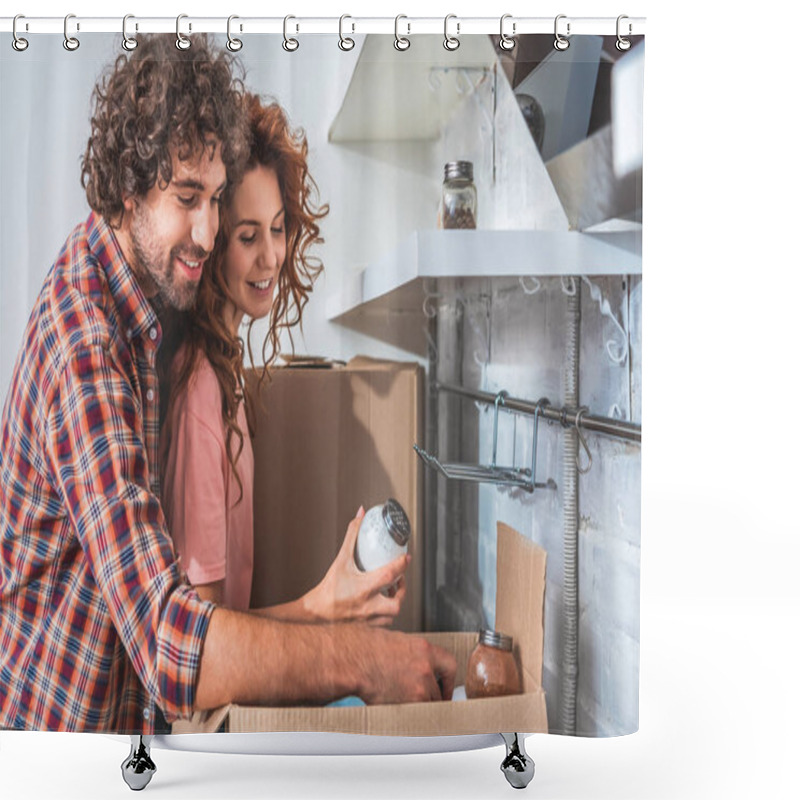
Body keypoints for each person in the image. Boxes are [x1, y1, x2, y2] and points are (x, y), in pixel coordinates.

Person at [0, 34, 456, 735]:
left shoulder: (139, 312)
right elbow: (166, 639)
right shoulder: (85, 340)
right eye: (188, 198)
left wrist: (323, 612)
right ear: (129, 183)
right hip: (56, 749)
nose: (208, 232)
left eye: (216, 200)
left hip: (112, 737)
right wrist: (361, 661)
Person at [160, 93, 408, 626]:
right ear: (212, 242)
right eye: (248, 236)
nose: (271, 256)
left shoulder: (224, 374)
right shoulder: (202, 390)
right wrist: (324, 607)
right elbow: (206, 636)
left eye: (277, 229)